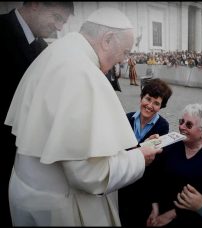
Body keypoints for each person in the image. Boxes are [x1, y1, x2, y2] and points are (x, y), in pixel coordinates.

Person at [4, 7, 163, 226]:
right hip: (57, 207)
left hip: (30, 189)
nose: (123, 61)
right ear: (107, 39)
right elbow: (89, 174)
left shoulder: (59, 50)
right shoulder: (81, 72)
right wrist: (140, 157)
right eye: (125, 52)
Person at [0, 2, 74, 226]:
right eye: (57, 17)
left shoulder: (43, 48)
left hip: (24, 159)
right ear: (35, 5)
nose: (60, 27)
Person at [147, 103, 202, 227]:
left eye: (188, 124)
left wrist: (172, 214)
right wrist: (154, 207)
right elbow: (155, 177)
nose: (181, 127)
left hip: (191, 216)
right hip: (160, 208)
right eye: (181, 121)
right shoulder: (171, 144)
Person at [119, 78, 173, 227]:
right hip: (120, 186)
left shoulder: (162, 126)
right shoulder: (126, 119)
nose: (149, 106)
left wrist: (155, 203)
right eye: (148, 99)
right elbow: (118, 153)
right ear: (141, 97)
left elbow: (157, 168)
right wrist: (143, 148)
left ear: (161, 106)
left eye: (156, 103)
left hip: (141, 193)